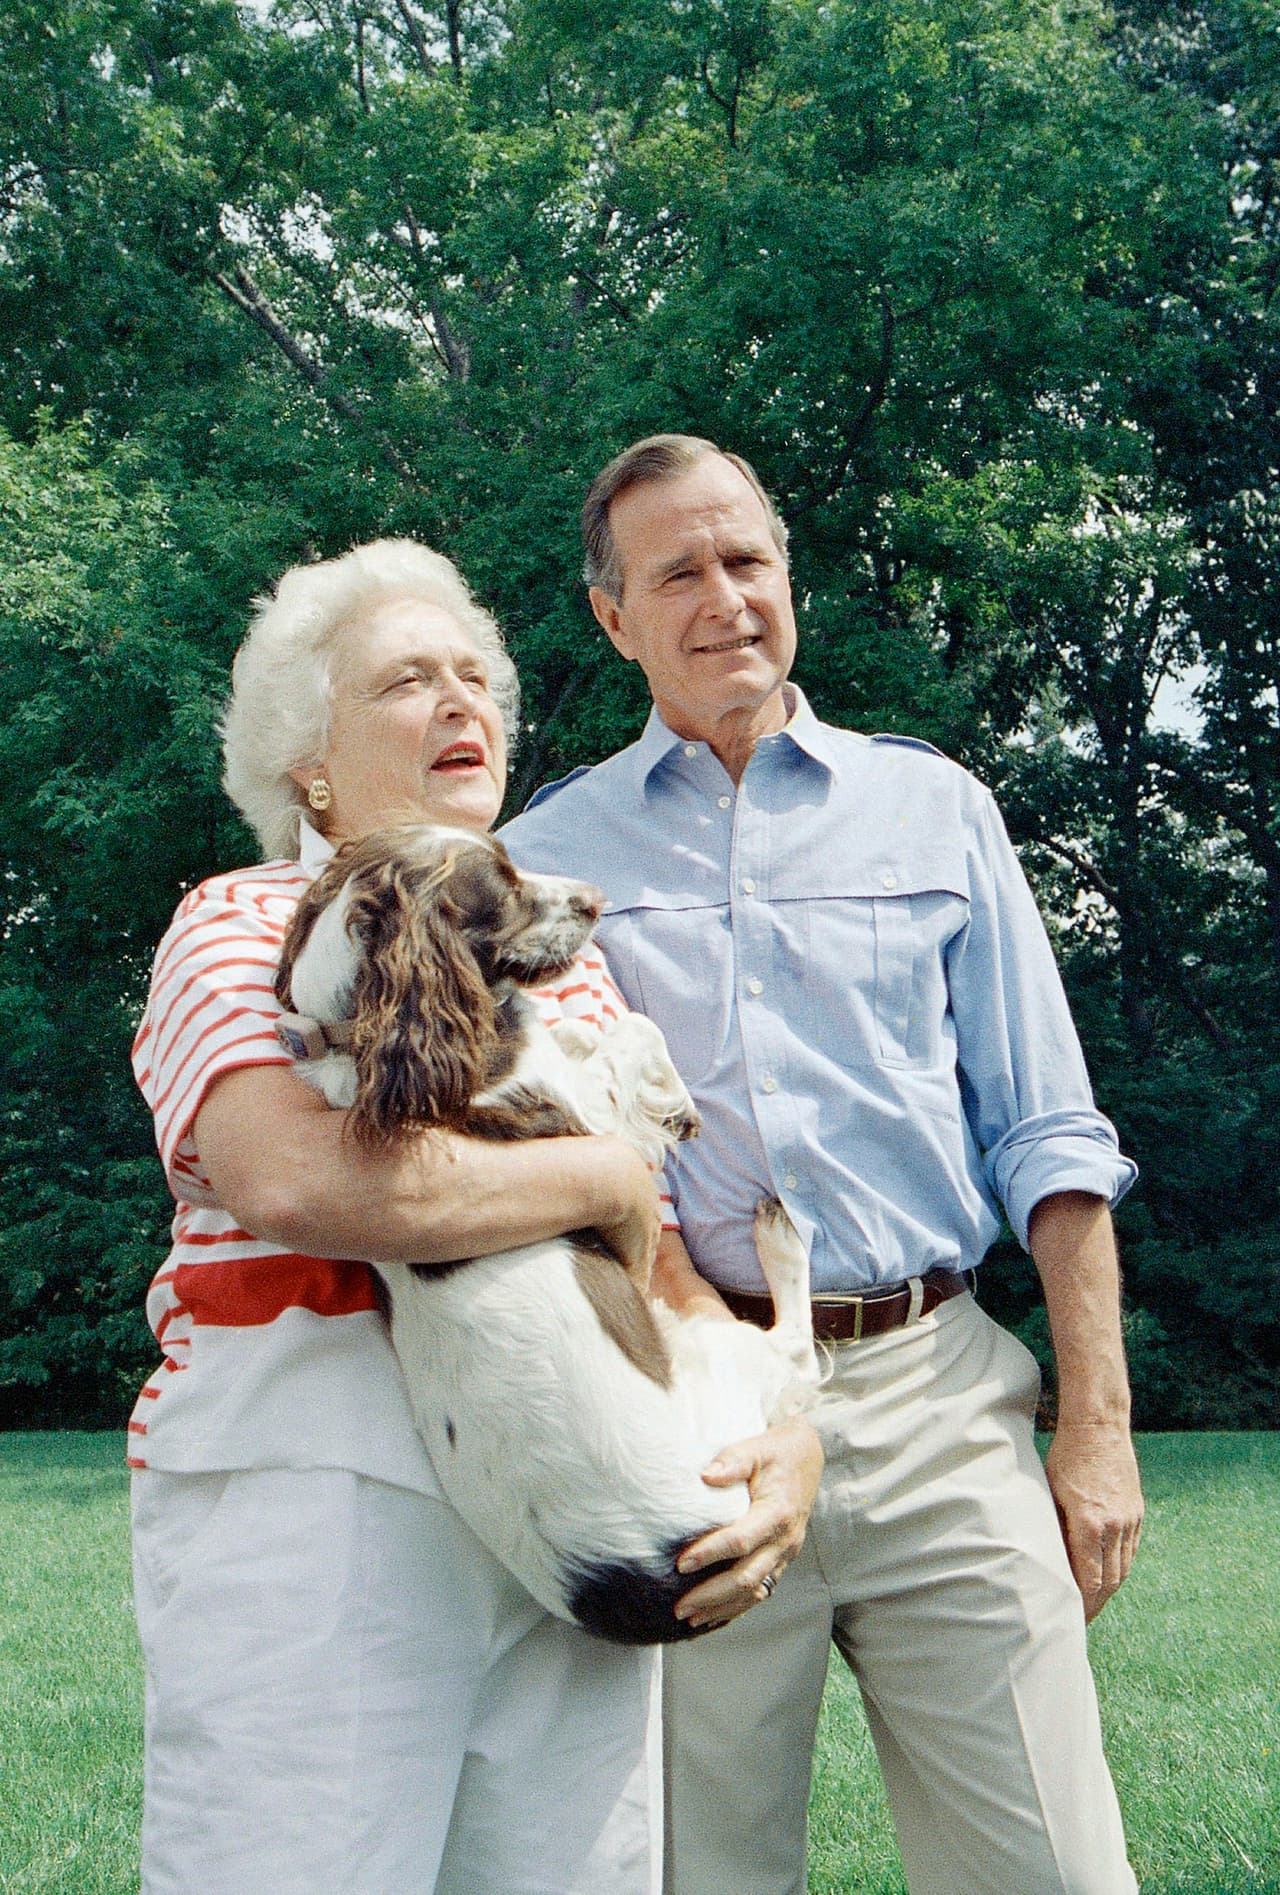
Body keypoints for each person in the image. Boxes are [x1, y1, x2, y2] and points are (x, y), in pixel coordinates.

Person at [501, 434, 1146, 1895]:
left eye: (748, 560)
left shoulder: (937, 809)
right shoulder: (546, 858)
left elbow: (1050, 1130)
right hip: (692, 1420)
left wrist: (1096, 1429)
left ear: (789, 578)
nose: (725, 595)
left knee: (1055, 1867)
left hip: (941, 1395)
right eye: (679, 572)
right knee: (699, 1872)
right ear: (614, 619)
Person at [127, 537, 818, 1895]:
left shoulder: (561, 976)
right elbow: (299, 1179)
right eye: (405, 681)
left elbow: (664, 1271)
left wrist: (776, 1439)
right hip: (322, 1504)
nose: (462, 704)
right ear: (307, 764)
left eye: (475, 678)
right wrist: (605, 1176)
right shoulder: (241, 923)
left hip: (577, 1509)